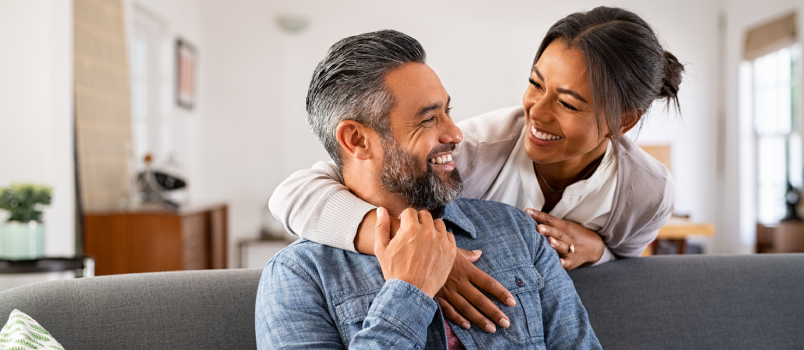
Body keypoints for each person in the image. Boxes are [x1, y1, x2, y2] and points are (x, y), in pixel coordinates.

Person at [269, 6, 683, 333]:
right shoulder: (473, 150)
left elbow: (624, 263)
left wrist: (597, 250)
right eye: (535, 84)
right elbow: (296, 193)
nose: (536, 113)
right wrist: (421, 251)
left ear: (623, 121)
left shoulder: (647, 192)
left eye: (567, 103)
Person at [255, 29, 601, 349]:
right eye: (428, 119)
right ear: (357, 140)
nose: (455, 134)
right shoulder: (299, 275)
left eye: (448, 111)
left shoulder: (518, 231)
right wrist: (409, 292)